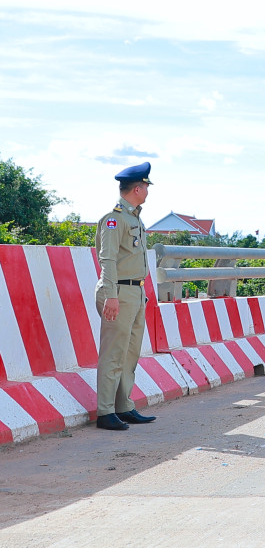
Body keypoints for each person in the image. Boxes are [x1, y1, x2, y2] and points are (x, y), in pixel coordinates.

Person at [93, 162, 157, 431]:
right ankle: (105, 411)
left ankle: (123, 406)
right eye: (146, 187)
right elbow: (106, 258)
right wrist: (111, 295)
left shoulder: (134, 218)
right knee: (113, 353)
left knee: (130, 354)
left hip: (135, 292)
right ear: (138, 188)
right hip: (118, 291)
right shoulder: (114, 218)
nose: (148, 191)